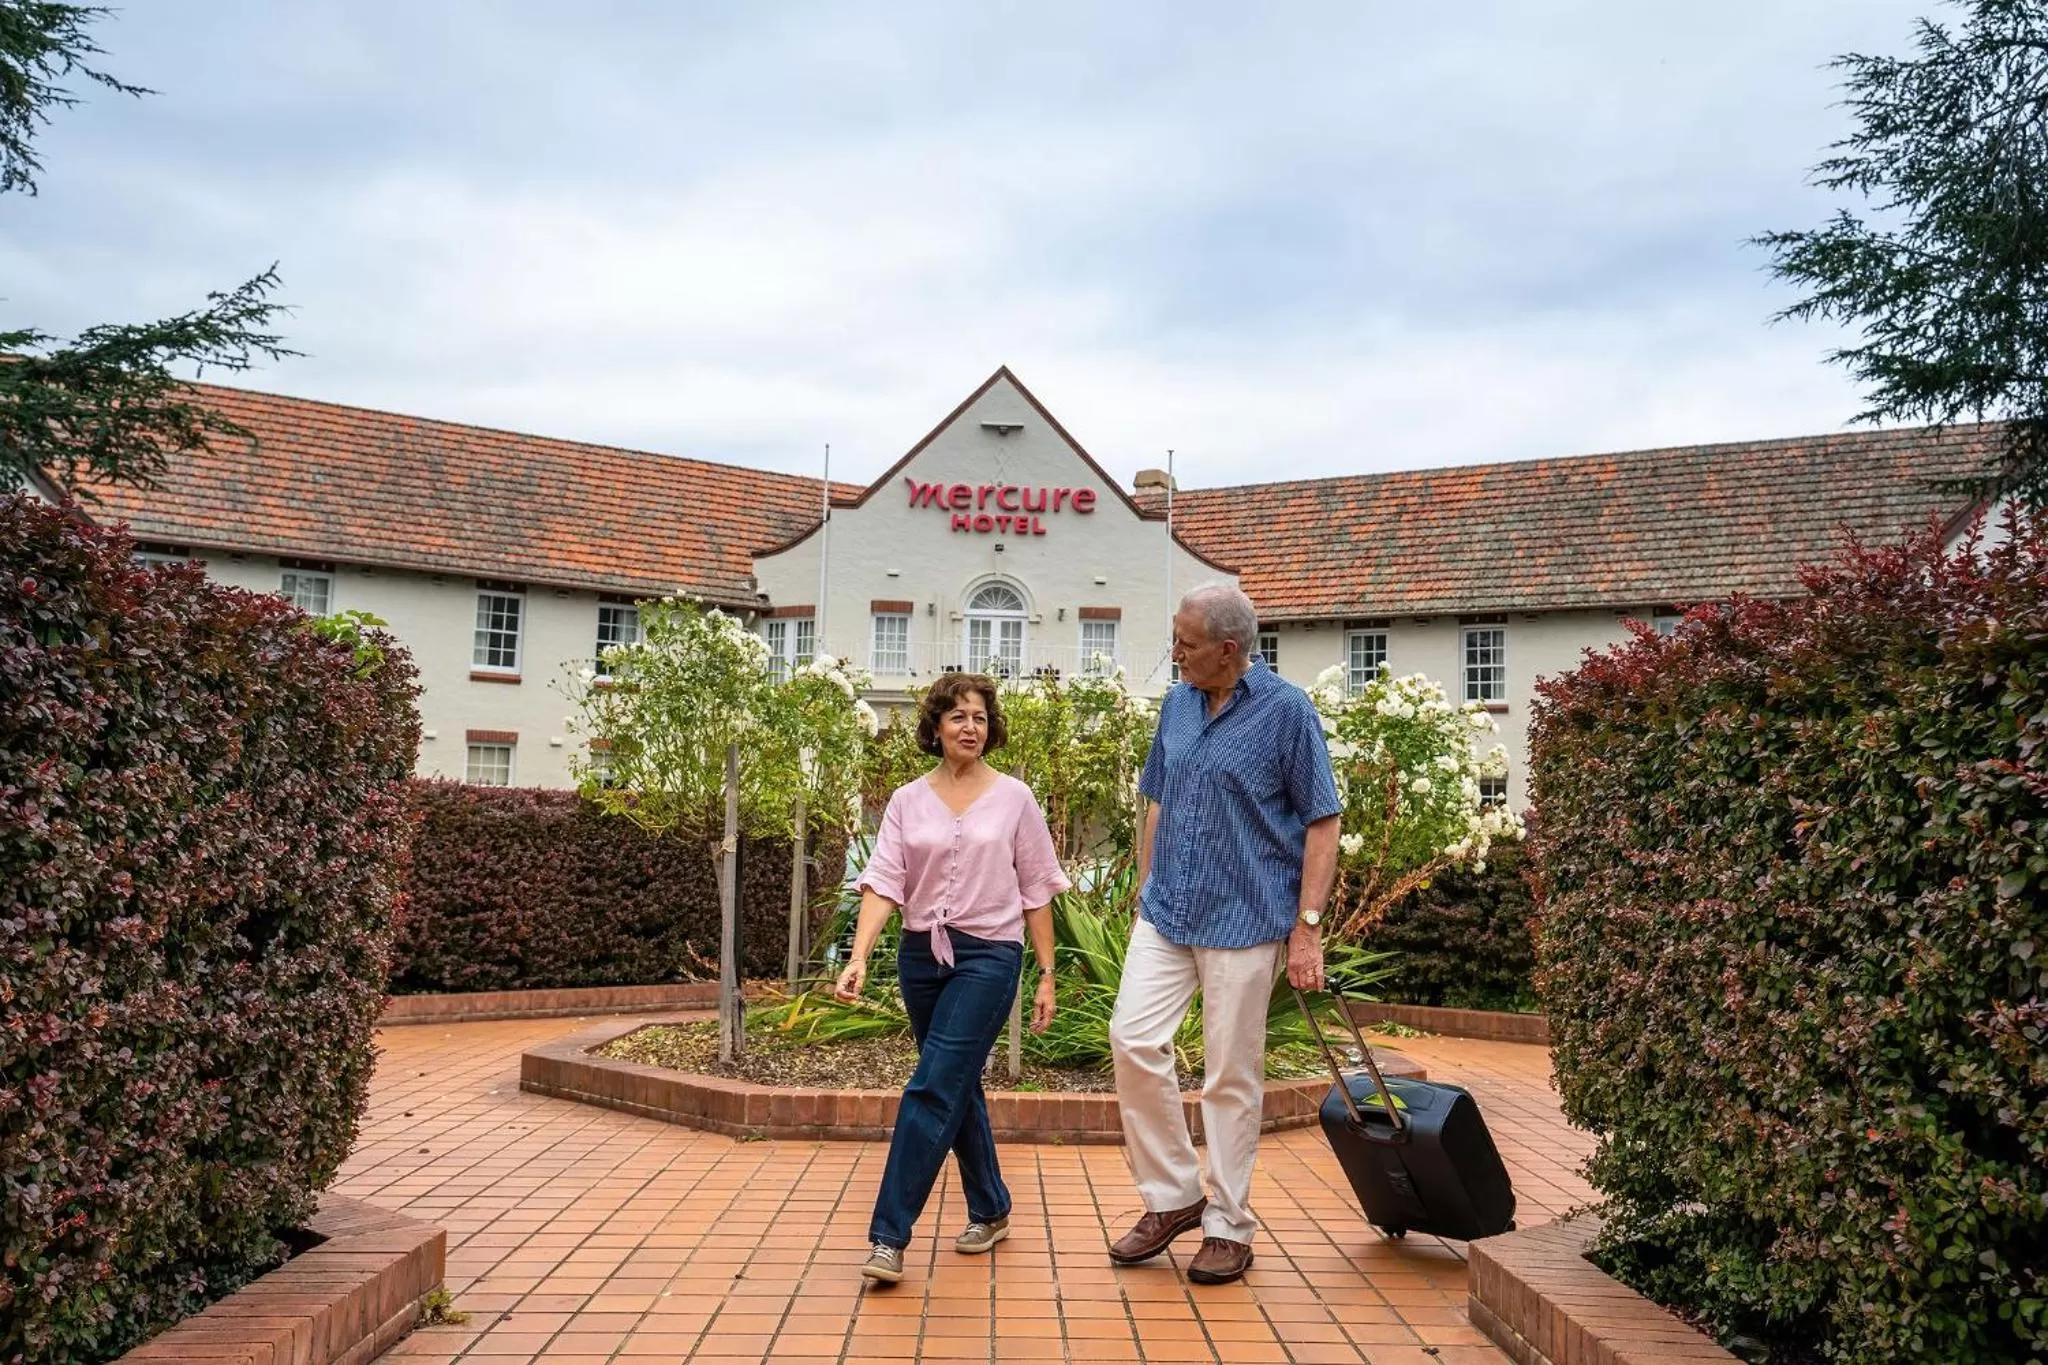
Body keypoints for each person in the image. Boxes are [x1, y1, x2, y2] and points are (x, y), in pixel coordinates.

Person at [1106, 584, 1342, 1285]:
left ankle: (1229, 1224)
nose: (1173, 650)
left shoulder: (1287, 712)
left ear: (1229, 651)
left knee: (1229, 1077)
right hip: (1169, 910)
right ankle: (1175, 1194)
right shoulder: (1178, 702)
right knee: (1133, 1038)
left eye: (1185, 640)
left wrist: (1307, 928)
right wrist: (1147, 883)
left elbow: (1322, 819)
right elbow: (1159, 798)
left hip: (1246, 920)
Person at [836, 672, 1069, 1284]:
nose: (972, 727)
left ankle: (888, 1237)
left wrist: (1046, 975)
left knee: (932, 1086)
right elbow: (884, 879)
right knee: (955, 1084)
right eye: (959, 717)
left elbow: (1038, 890)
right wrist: (859, 956)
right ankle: (991, 1207)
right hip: (921, 956)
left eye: (981, 718)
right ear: (936, 727)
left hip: (990, 955)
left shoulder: (1015, 798)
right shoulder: (907, 800)